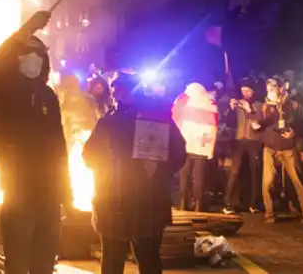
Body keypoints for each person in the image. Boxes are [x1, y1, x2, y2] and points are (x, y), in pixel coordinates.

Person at [0, 10, 70, 274]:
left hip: (49, 195)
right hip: (19, 192)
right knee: (18, 265)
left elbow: (59, 147)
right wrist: (27, 28)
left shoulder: (47, 96)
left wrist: (65, 192)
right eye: (25, 53)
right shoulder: (3, 93)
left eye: (38, 55)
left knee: (44, 265)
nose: (32, 59)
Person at [85, 73, 186, 274]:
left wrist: (105, 174)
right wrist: (161, 173)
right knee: (149, 260)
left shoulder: (110, 121)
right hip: (150, 203)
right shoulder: (160, 118)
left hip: (115, 202)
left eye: (115, 90)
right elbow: (179, 154)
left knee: (113, 261)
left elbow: (89, 156)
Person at [255, 77, 303, 223]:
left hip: (288, 148)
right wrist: (255, 126)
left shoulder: (293, 106)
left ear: (281, 88)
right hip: (270, 148)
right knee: (267, 183)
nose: (270, 91)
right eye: (268, 89)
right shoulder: (264, 106)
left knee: (297, 180)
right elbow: (259, 126)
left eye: (273, 88)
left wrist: (295, 134)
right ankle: (269, 214)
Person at [171, 82, 217, 212]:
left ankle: (182, 204)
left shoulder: (183, 99)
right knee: (199, 176)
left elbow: (174, 117)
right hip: (203, 145)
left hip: (186, 143)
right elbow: (214, 124)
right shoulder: (210, 101)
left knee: (183, 175)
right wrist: (211, 148)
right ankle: (198, 205)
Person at [224, 81, 262, 215]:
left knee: (255, 171)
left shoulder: (259, 105)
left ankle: (254, 203)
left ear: (253, 92)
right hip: (239, 141)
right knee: (235, 171)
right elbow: (227, 120)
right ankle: (228, 202)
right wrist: (230, 108)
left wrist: (250, 110)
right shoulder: (238, 104)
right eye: (243, 91)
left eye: (248, 91)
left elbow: (261, 122)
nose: (245, 93)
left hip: (254, 141)